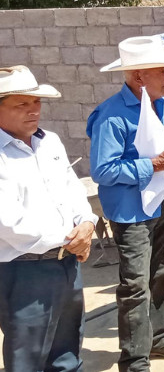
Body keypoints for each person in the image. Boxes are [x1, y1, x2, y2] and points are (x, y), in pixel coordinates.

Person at [87, 36, 164, 369]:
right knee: (135, 285)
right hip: (131, 213)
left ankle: (157, 339)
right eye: (162, 71)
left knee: (161, 273)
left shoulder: (162, 104)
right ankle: (134, 360)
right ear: (138, 78)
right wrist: (154, 165)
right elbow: (102, 170)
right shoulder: (111, 115)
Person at [0, 65, 97, 371]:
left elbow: (72, 188)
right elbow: (10, 223)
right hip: (24, 270)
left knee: (67, 351)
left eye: (36, 102)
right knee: (27, 357)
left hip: (66, 262)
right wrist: (73, 241)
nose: (33, 111)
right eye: (21, 104)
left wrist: (87, 222)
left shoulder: (49, 141)